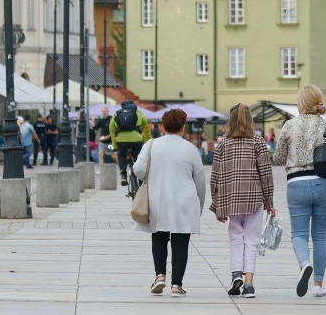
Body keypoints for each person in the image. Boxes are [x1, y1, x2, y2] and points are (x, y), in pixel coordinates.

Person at [272, 85, 326, 298]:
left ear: (301, 103)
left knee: (298, 234)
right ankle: (318, 285)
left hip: (296, 184)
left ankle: (305, 264)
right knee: (320, 235)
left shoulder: (289, 125)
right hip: (323, 183)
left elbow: (277, 158)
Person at [132, 108, 206, 298]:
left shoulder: (151, 145)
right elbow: (200, 182)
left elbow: (138, 169)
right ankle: (177, 285)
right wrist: (199, 207)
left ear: (163, 126)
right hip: (185, 201)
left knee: (159, 237)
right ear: (183, 127)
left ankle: (159, 276)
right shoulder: (190, 149)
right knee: (181, 241)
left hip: (158, 197)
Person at [210, 103, 276, 298]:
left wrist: (216, 204)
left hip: (231, 198)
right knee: (252, 240)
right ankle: (248, 284)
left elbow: (215, 175)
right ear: (250, 121)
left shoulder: (223, 143)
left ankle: (236, 273)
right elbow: (265, 173)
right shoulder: (257, 141)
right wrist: (269, 200)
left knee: (236, 238)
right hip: (253, 197)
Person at [110, 99, 151, 186]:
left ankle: (123, 175)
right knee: (139, 158)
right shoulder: (138, 113)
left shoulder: (117, 113)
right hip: (136, 140)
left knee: (121, 155)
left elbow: (112, 130)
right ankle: (141, 180)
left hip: (121, 140)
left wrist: (114, 145)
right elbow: (146, 129)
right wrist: (148, 141)